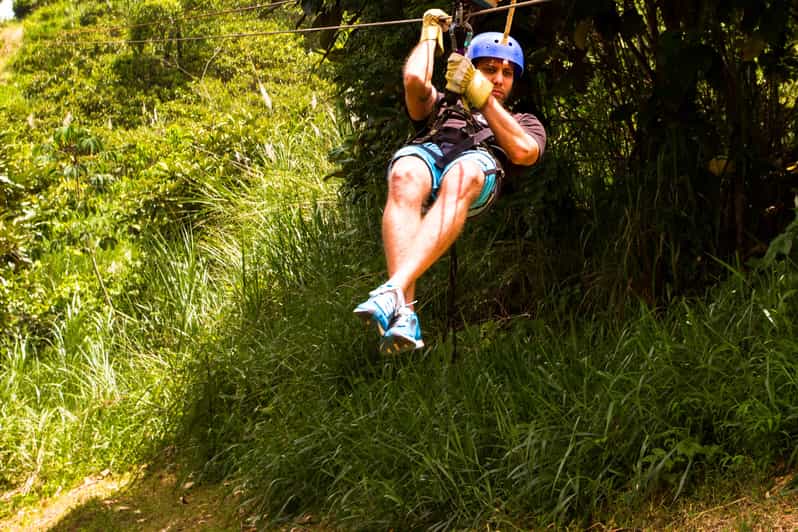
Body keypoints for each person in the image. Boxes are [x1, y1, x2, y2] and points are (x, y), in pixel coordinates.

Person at [354, 8, 547, 354]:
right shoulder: (442, 107)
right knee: (404, 173)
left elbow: (525, 152)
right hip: (432, 152)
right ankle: (404, 315)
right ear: (470, 69)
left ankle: (393, 288)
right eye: (489, 69)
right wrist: (429, 37)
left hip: (476, 169)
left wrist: (481, 94)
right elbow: (414, 83)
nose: (499, 79)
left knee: (462, 175)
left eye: (506, 73)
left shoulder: (522, 119)